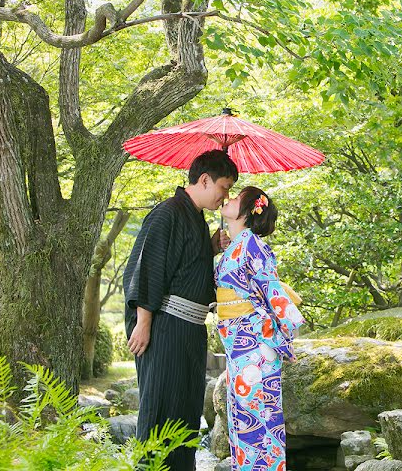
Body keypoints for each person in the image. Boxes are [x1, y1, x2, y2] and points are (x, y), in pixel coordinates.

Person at [123, 149, 237, 471]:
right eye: (224, 188)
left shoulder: (195, 220)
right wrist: (143, 322)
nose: (225, 196)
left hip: (190, 329)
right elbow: (149, 268)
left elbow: (188, 269)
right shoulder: (167, 213)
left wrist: (209, 248)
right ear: (204, 179)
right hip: (164, 327)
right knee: (161, 409)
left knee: (186, 411)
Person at [215, 186, 305, 471]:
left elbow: (270, 287)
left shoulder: (252, 244)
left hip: (254, 341)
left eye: (235, 197)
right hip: (238, 339)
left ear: (247, 210)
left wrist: (288, 329)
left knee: (258, 414)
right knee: (243, 413)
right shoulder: (236, 245)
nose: (228, 198)